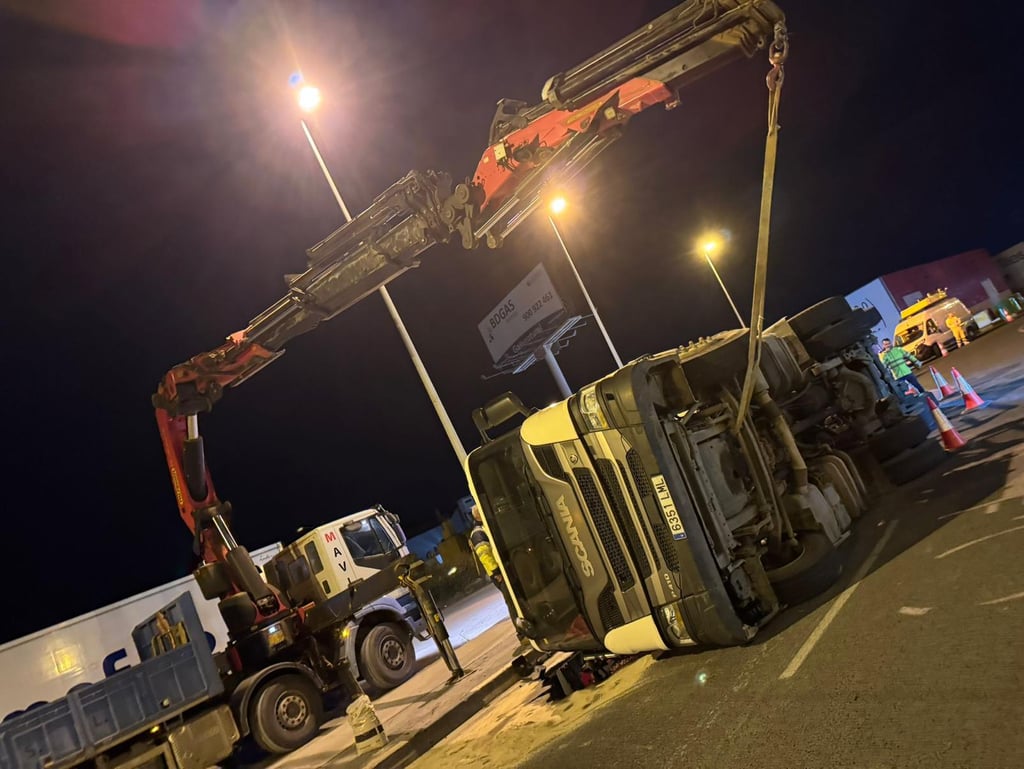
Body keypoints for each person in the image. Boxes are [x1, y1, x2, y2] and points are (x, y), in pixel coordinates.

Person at [469, 505, 521, 630]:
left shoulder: (484, 528)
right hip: (498, 573)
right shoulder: (478, 533)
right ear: (478, 515)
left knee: (516, 598)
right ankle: (521, 631)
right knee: (511, 600)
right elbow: (485, 556)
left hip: (502, 569)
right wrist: (496, 572)